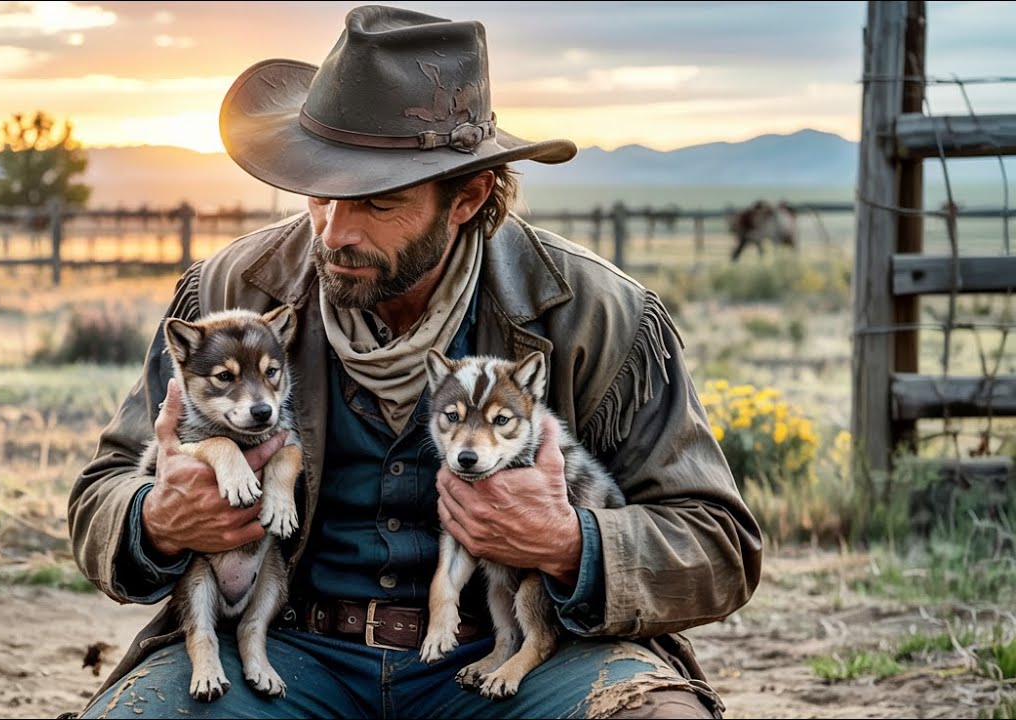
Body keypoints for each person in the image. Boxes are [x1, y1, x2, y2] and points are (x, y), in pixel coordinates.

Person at [67, 5, 762, 718]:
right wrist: (156, 518)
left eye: (375, 202)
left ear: (467, 197)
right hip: (281, 653)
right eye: (320, 193)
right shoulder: (228, 296)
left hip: (522, 654)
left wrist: (569, 543)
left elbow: (717, 547)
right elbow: (100, 496)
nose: (334, 232)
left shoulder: (598, 314)